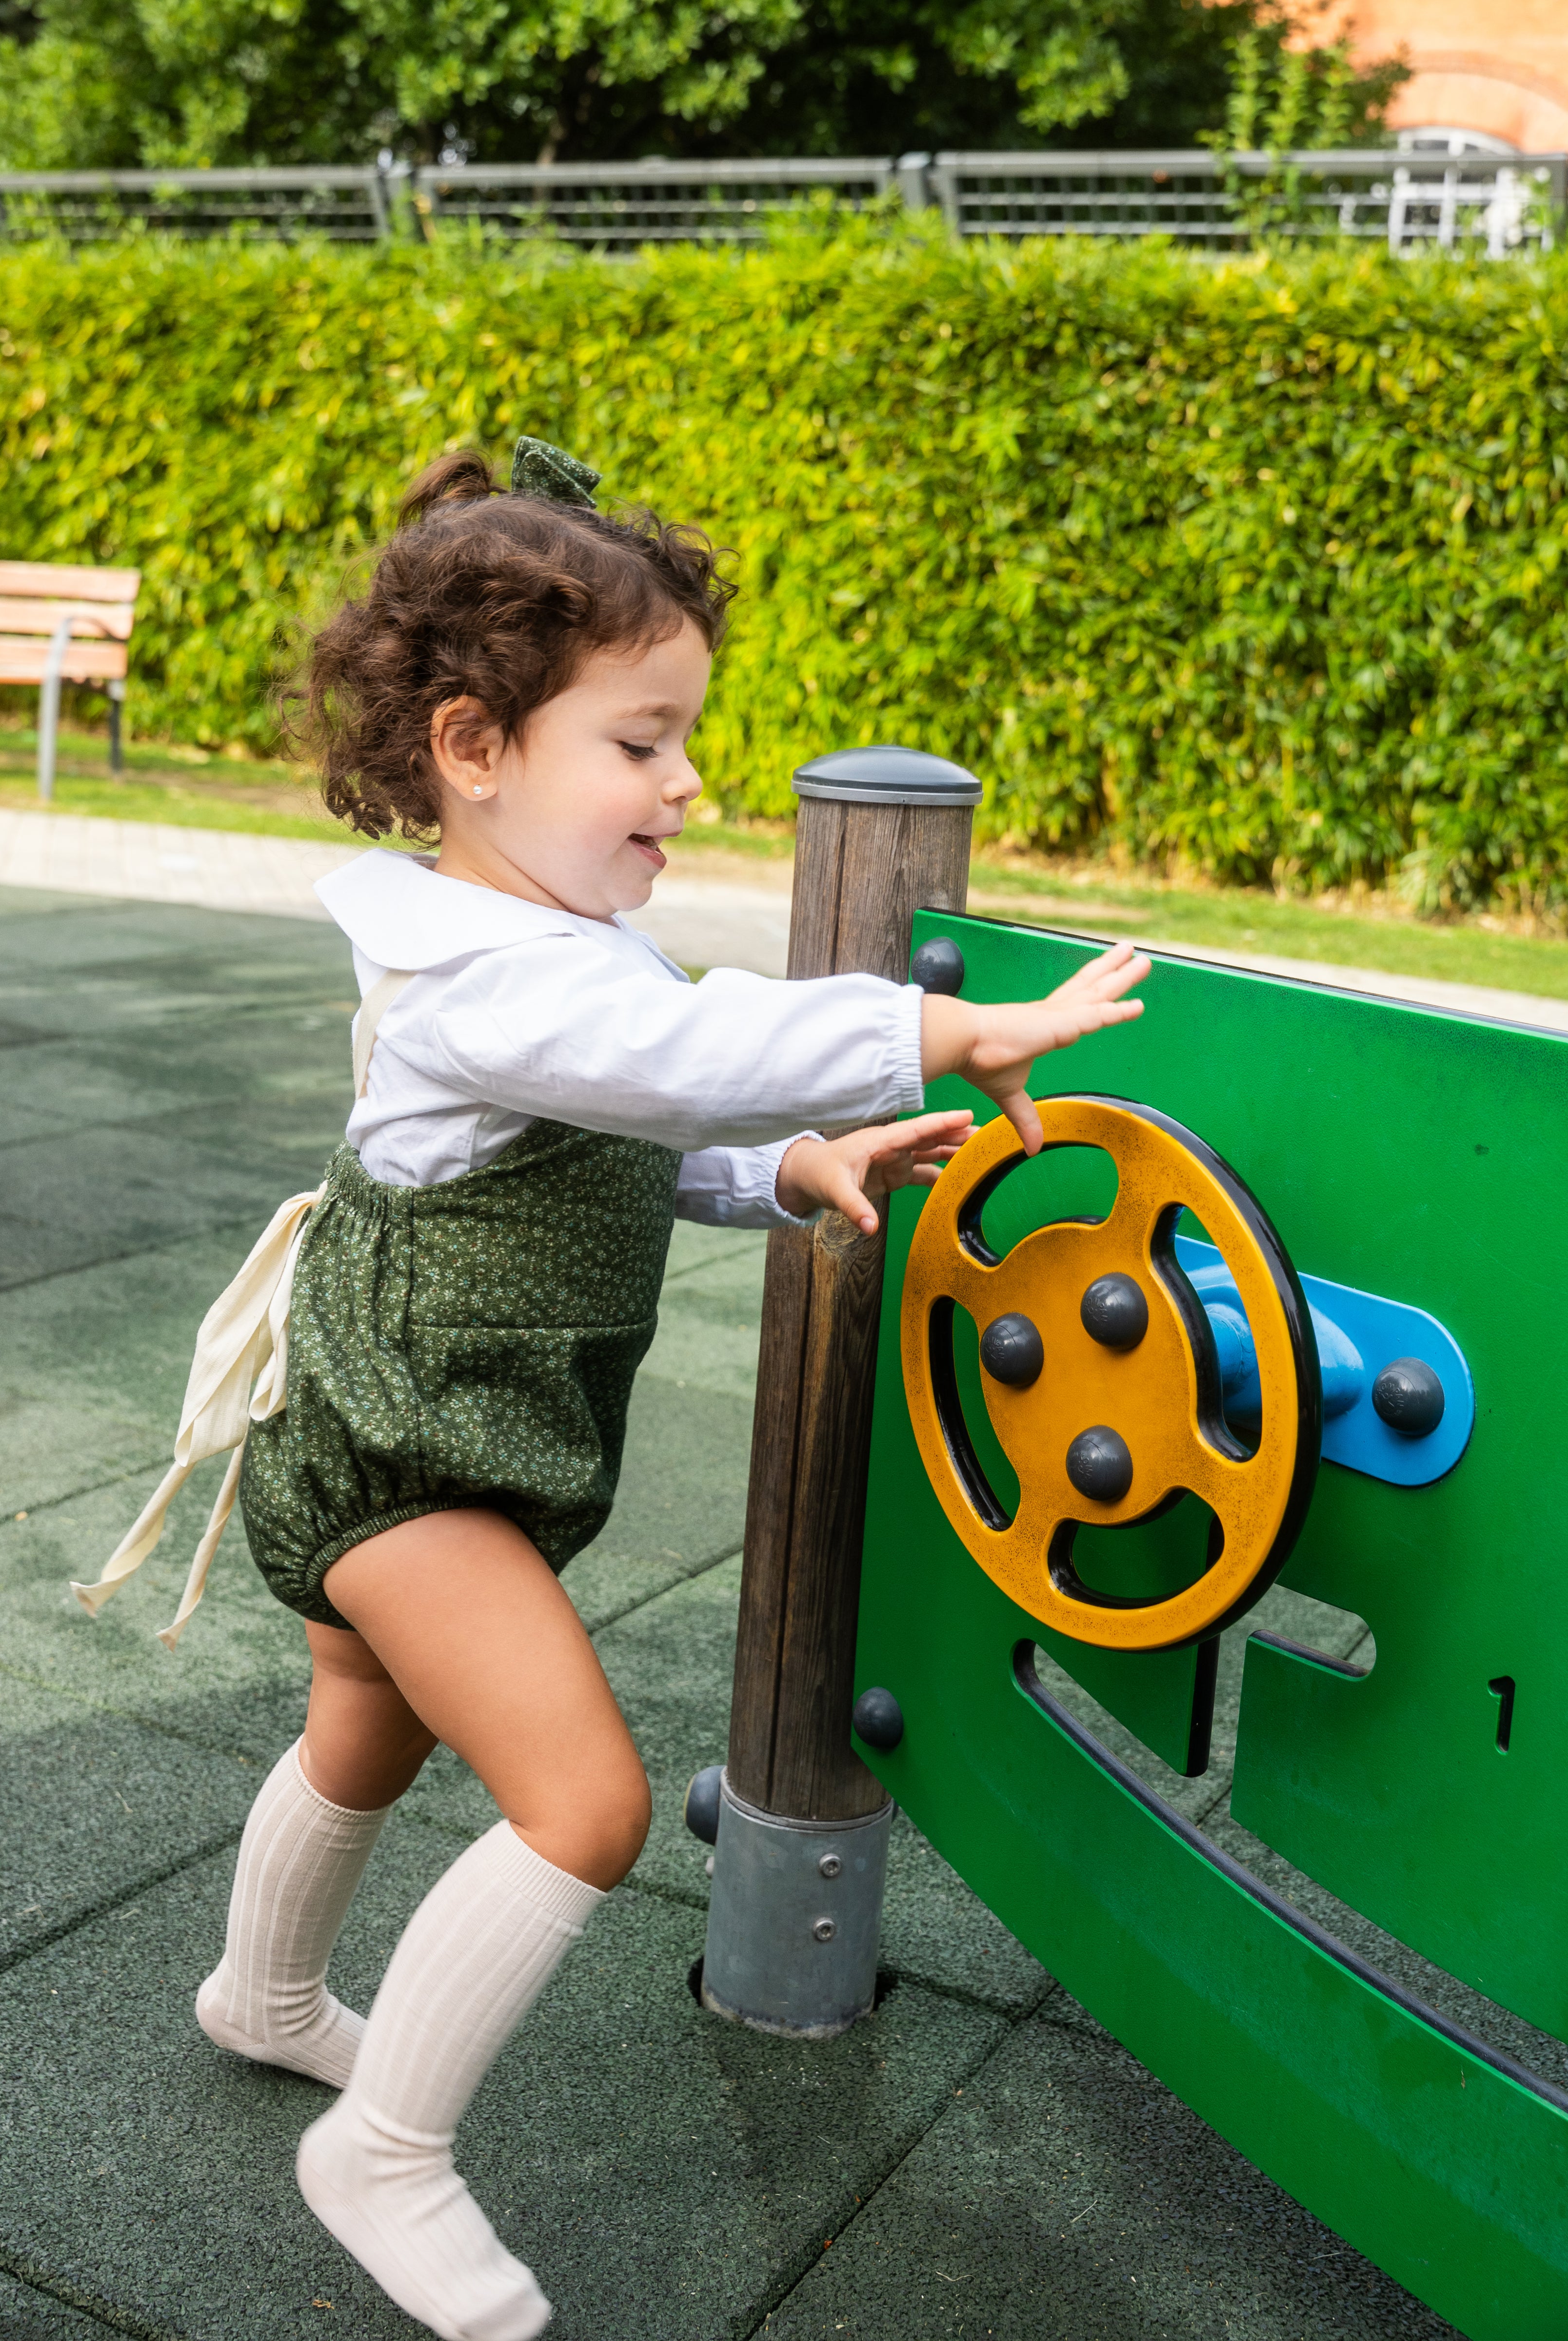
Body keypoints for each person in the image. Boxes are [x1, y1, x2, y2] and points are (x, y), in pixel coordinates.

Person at [97, 439, 1147, 2341]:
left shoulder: (557, 955)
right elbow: (689, 1053)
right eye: (642, 744)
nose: (687, 784)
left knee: (370, 1737)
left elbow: (641, 1128)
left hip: (422, 1436)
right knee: (579, 1805)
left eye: (684, 742)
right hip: (411, 1461)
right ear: (474, 745)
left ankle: (260, 2000)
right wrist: (937, 1029)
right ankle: (389, 2153)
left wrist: (789, 1171)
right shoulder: (494, 972)